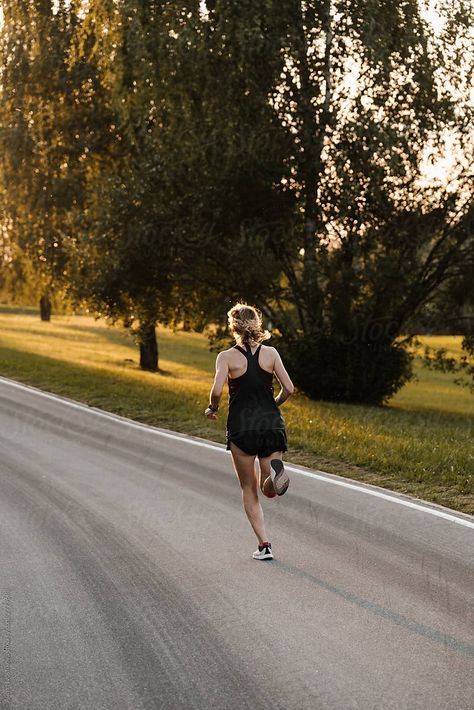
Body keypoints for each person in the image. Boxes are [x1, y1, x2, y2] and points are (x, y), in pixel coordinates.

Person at [204, 303, 294, 561]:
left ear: (232, 326)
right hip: (271, 425)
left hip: (243, 428)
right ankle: (275, 470)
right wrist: (273, 403)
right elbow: (289, 388)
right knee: (269, 489)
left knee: (249, 488)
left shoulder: (226, 357)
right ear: (257, 324)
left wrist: (212, 408)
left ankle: (264, 545)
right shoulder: (272, 353)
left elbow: (218, 390)